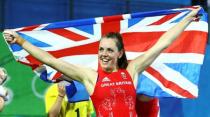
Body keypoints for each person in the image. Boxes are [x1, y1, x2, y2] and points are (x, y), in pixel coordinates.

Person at [3, 7, 201, 117]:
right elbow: (50, 60)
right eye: (101, 50)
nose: (103, 54)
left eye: (109, 50)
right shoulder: (90, 77)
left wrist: (187, 19)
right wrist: (21, 41)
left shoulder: (132, 70)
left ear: (120, 53)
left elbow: (162, 43)